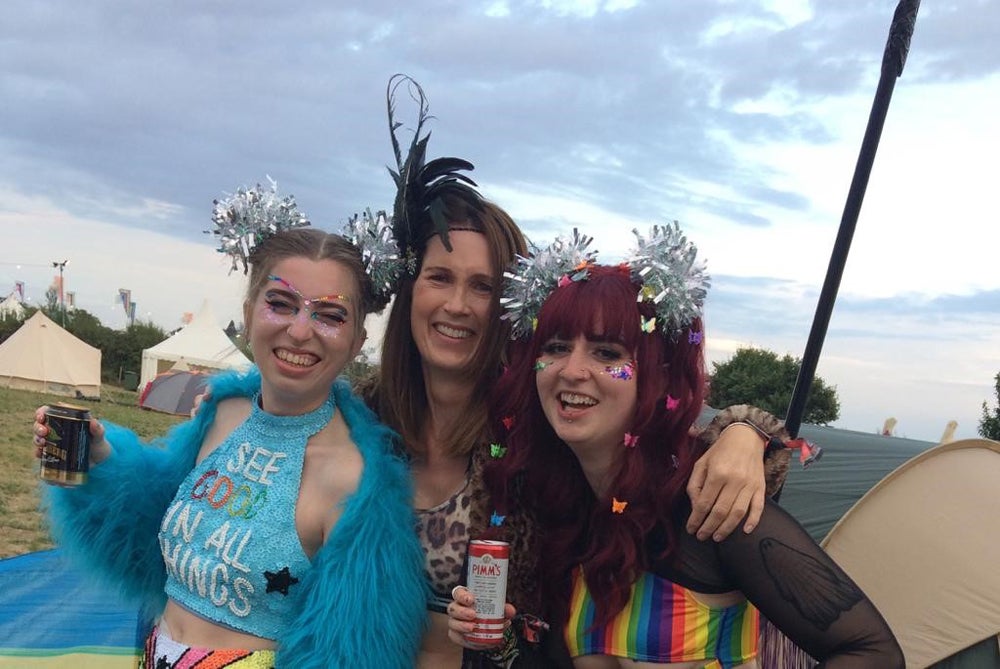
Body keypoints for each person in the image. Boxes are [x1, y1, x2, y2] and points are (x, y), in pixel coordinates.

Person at [362, 76, 795, 668]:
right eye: (440, 278)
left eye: (483, 286)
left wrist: (746, 431)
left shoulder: (535, 430)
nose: (457, 305)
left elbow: (651, 429)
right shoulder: (359, 419)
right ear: (410, 288)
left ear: (509, 308)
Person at [447, 228, 905, 667]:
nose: (572, 370)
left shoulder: (708, 506)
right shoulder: (562, 513)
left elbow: (872, 653)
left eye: (607, 353)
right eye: (556, 347)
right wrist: (501, 639)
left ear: (656, 373)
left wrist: (746, 428)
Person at [31, 185, 427, 669]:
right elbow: (150, 540)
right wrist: (101, 463)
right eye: (281, 303)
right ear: (247, 312)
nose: (300, 330)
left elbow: (352, 653)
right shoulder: (222, 412)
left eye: (330, 315)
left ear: (356, 341)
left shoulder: (354, 482)